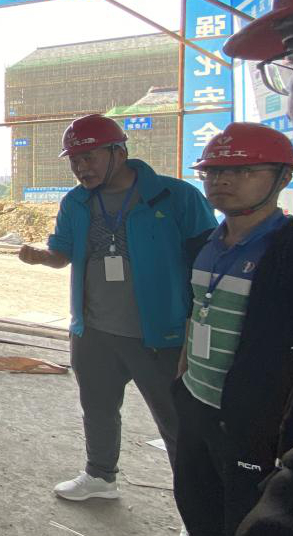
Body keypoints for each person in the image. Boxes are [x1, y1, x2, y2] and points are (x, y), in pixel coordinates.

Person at [18, 114, 217, 501]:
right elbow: (62, 254)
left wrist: (196, 329)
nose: (81, 167)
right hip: (93, 331)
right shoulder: (76, 202)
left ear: (119, 152)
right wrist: (41, 256)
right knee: (97, 409)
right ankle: (100, 477)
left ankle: (197, 506)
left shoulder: (175, 196)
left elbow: (207, 262)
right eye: (75, 160)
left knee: (176, 422)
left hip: (161, 335)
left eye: (89, 156)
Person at [172, 122, 293, 536]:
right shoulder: (202, 245)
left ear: (283, 177)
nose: (222, 180)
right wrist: (182, 380)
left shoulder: (285, 249)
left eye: (243, 171)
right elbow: (195, 314)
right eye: (213, 171)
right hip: (196, 403)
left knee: (247, 516)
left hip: (255, 420)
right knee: (196, 505)